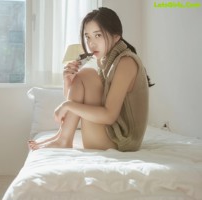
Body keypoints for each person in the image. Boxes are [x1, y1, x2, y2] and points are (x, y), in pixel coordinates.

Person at [29, 7, 153, 152]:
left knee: (86, 74)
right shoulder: (107, 61)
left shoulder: (126, 62)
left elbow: (109, 116)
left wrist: (67, 105)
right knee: (84, 75)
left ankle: (63, 139)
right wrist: (68, 82)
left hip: (123, 141)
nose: (91, 43)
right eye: (87, 37)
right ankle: (62, 138)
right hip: (111, 133)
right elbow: (78, 106)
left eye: (98, 35)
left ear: (116, 36)